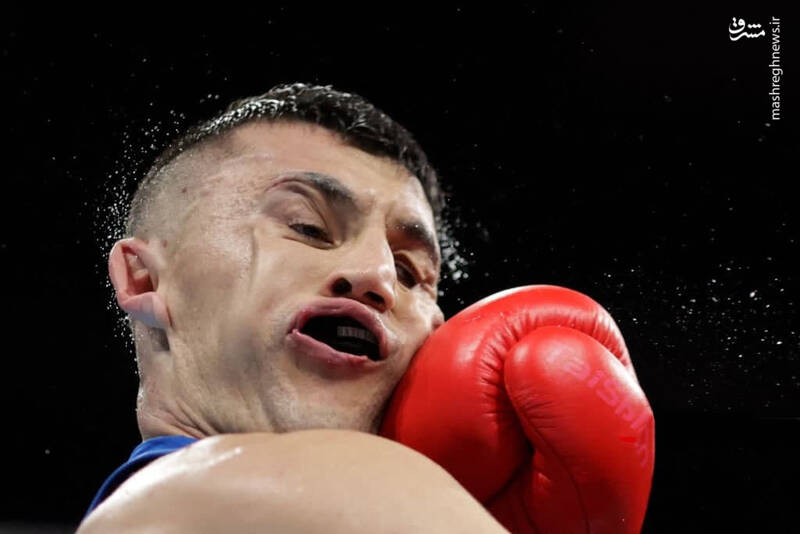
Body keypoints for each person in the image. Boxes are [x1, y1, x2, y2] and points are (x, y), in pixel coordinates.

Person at [79, 82, 655, 533]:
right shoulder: (180, 502)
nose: (378, 276)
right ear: (145, 278)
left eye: (409, 272)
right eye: (307, 227)